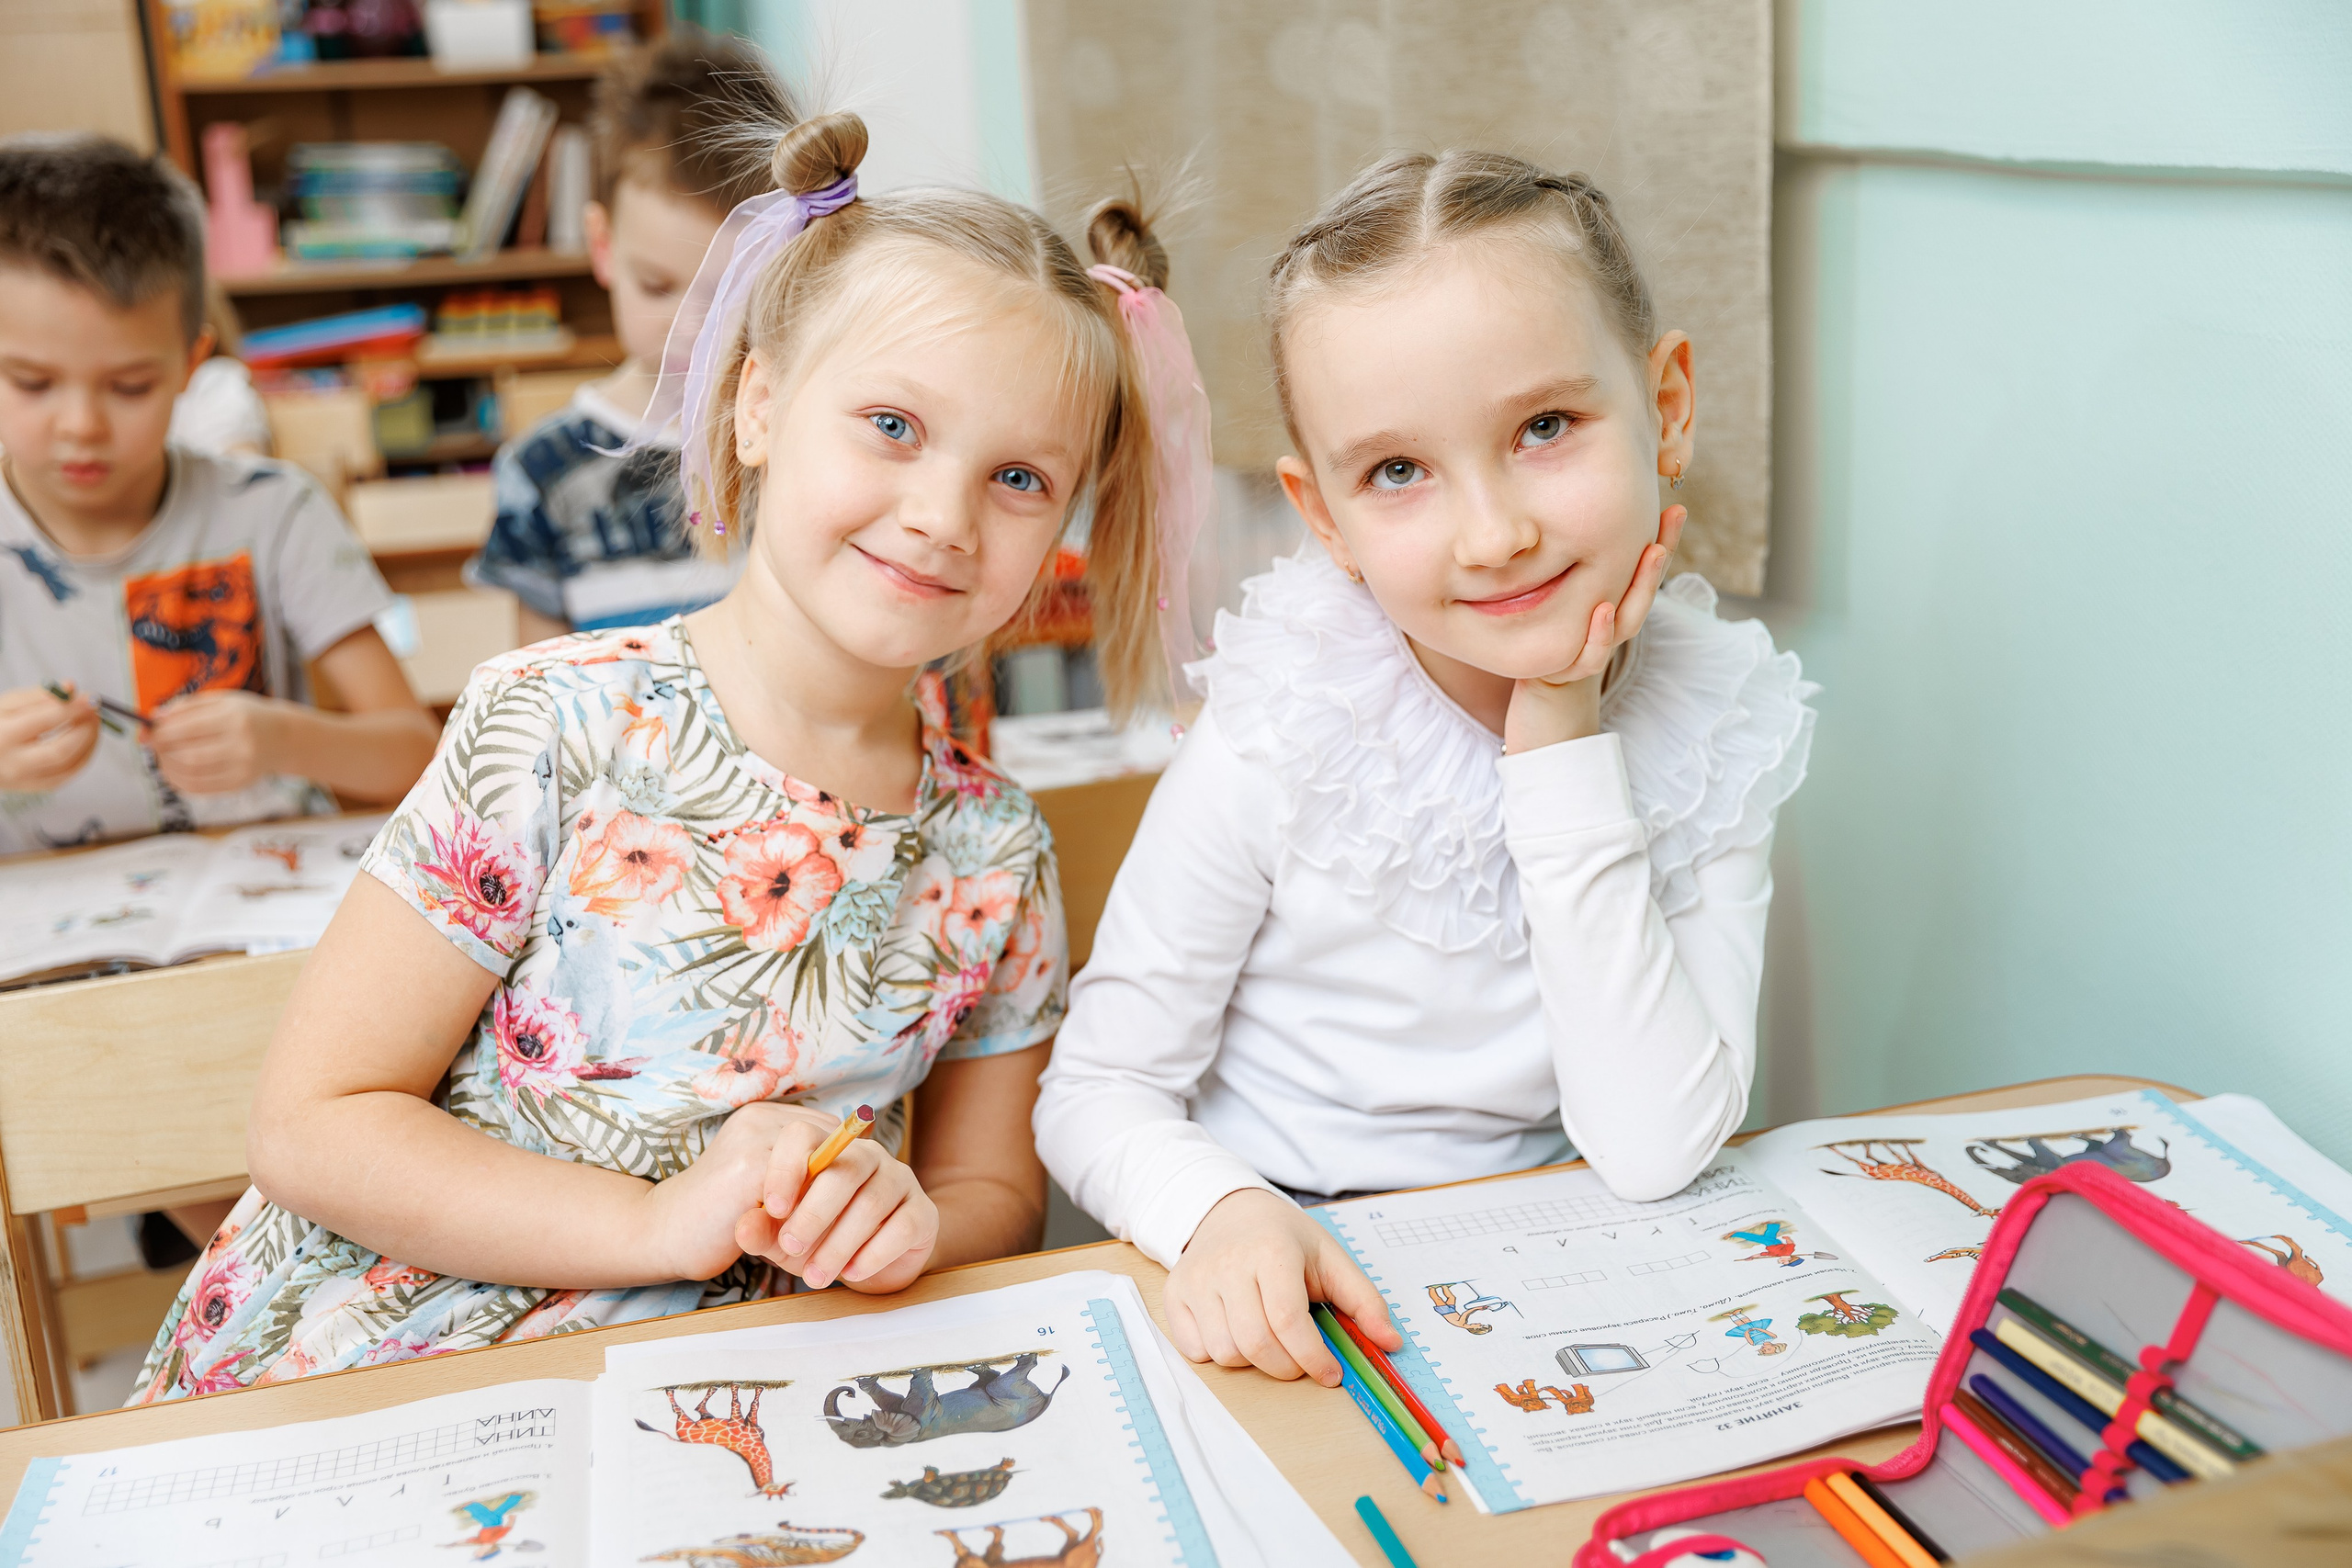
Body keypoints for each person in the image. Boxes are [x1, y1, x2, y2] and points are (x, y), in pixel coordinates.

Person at [132, 110, 1187, 1400]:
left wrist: (906, 1219)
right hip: (393, 1374)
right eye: (894, 427)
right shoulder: (555, 721)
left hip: (737, 1392)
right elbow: (312, 1124)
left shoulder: (995, 848)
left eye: (1019, 477)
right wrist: (649, 1226)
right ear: (753, 405)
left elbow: (988, 1193)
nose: (941, 514)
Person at [1035, 150, 1819, 1386]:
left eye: (1546, 427)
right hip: (1284, 1259)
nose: (1495, 533)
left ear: (1667, 405)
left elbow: (1658, 1142)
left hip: (1556, 1250)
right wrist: (1220, 1211)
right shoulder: (1285, 724)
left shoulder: (1712, 724)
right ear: (1325, 515)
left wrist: (1557, 738)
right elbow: (1096, 1089)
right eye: (1399, 471)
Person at [0, 135, 437, 856]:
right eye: (33, 383)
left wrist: (286, 738)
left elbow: (418, 756)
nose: (82, 426)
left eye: (130, 386)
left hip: (259, 906)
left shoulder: (273, 511)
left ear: (191, 365)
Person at [465, 31, 794, 642]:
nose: (695, 326)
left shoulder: (806, 437)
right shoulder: (542, 474)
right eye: (657, 285)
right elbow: (543, 692)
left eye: (730, 295)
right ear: (602, 246)